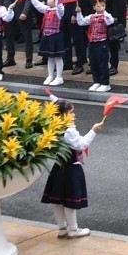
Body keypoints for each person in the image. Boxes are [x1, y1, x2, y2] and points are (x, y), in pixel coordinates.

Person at [41, 100, 101, 238]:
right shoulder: (69, 131)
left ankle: (62, 229)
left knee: (58, 200)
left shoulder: (54, 128)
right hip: (71, 169)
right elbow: (81, 145)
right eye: (71, 112)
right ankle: (73, 230)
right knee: (69, 201)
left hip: (58, 167)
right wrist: (93, 131)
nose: (74, 115)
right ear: (63, 115)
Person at [77, 0, 114, 92]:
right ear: (93, 7)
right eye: (98, 5)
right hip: (92, 43)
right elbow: (81, 22)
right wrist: (79, 13)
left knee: (103, 63)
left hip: (102, 43)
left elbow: (110, 21)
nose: (100, 7)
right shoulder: (91, 17)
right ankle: (96, 81)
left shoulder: (105, 16)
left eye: (103, 5)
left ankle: (105, 83)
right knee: (94, 63)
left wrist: (104, 12)